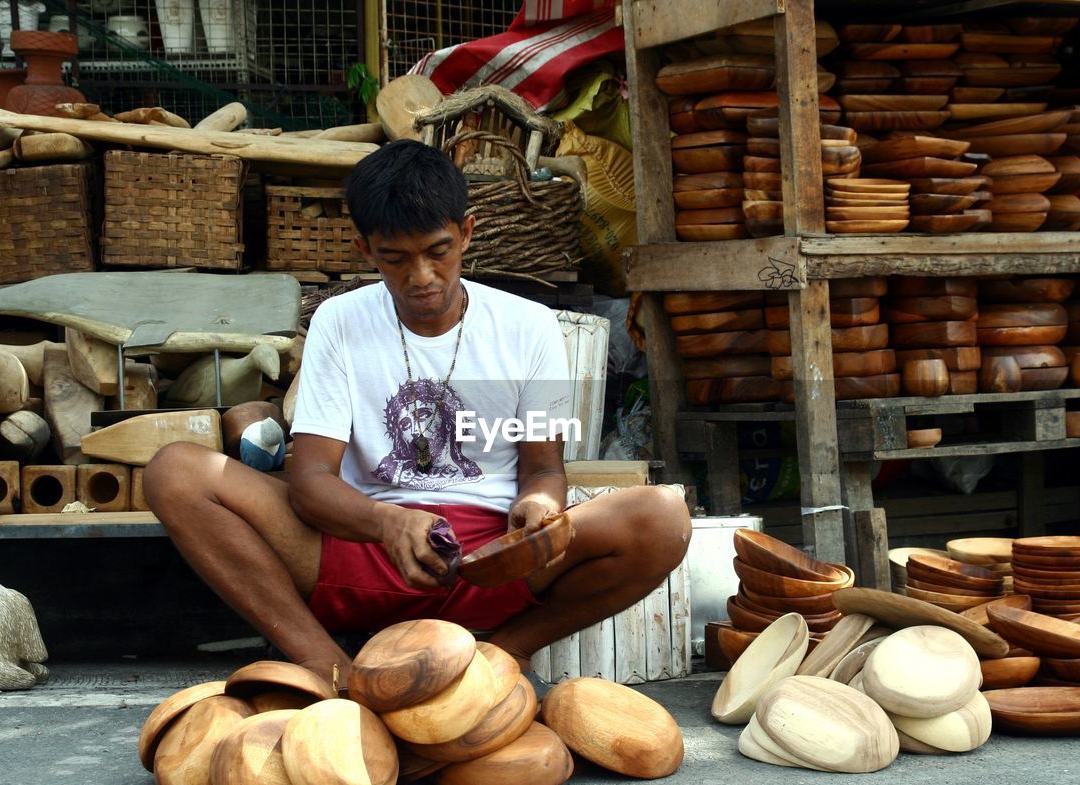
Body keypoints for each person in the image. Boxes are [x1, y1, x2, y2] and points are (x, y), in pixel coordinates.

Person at [144, 140, 691, 688]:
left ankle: (504, 654)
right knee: (177, 472)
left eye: (438, 251)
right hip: (360, 549)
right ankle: (324, 663)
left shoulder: (532, 326)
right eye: (396, 258)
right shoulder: (340, 320)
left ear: (468, 233)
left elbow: (545, 471)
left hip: (493, 559)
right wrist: (389, 523)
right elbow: (310, 483)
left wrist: (539, 509)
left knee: (663, 516)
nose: (422, 275)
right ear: (364, 249)